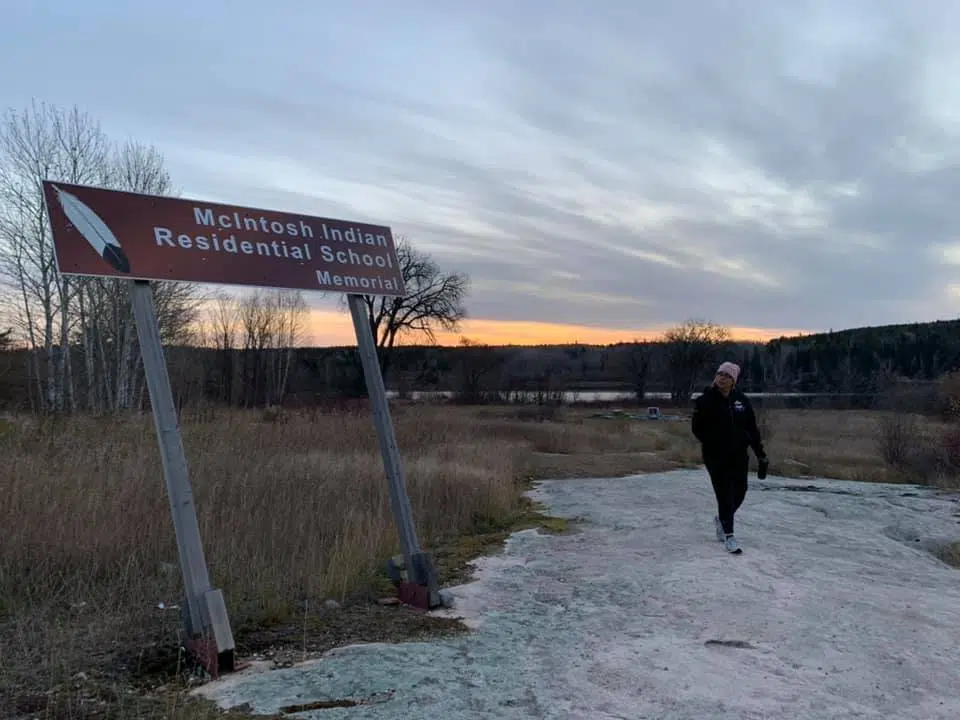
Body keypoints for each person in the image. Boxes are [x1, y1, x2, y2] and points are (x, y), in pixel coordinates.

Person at [691, 361, 768, 554]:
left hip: (739, 454)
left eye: (726, 376)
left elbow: (751, 429)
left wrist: (760, 454)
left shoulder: (741, 400)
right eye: (719, 374)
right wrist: (713, 442)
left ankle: (722, 519)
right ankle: (729, 535)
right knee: (724, 492)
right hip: (715, 455)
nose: (721, 378)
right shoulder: (705, 400)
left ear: (733, 380)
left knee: (740, 491)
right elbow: (697, 428)